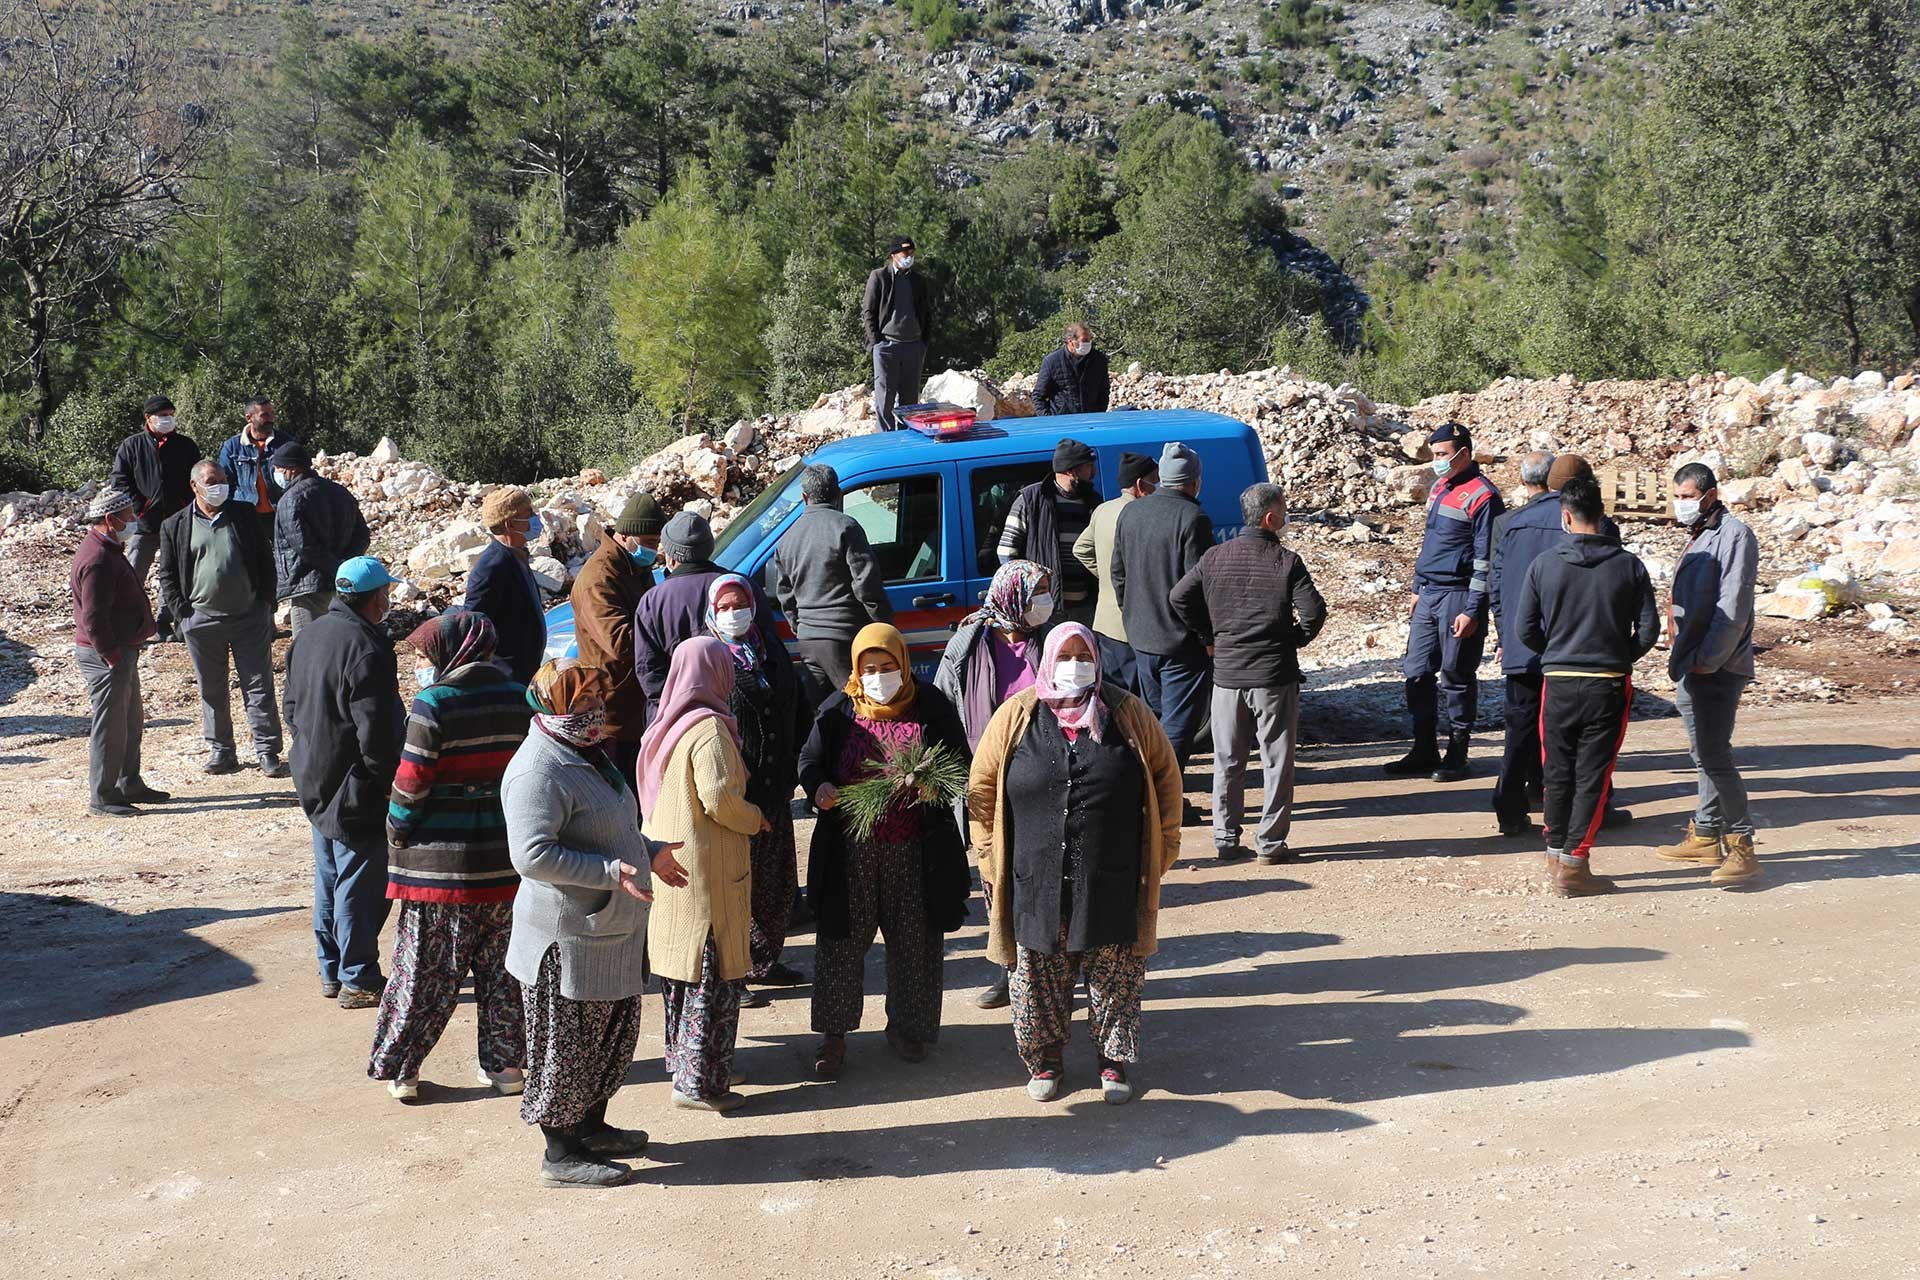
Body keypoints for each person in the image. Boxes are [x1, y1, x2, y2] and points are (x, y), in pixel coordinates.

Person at [966, 624, 1182, 1105]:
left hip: (1112, 873)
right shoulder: (1018, 714)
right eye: (1065, 655)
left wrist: (1164, 846)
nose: (1075, 663)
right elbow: (980, 787)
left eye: (1084, 654)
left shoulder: (1127, 712)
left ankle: (1113, 1060)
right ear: (1049, 660)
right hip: (1033, 875)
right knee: (1037, 974)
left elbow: (1166, 778)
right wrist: (987, 852)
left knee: (1114, 973)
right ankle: (1046, 1059)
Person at [501, 660, 687, 1188]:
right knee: (568, 1045)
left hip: (609, 928)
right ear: (551, 706)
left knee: (609, 1038)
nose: (594, 713)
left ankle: (592, 1128)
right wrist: (610, 871)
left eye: (597, 703)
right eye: (582, 704)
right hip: (568, 938)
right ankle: (560, 1154)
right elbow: (532, 856)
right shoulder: (539, 770)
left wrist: (648, 853)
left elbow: (609, 829)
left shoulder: (585, 755)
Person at [369, 611, 531, 1101]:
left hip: (440, 871)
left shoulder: (433, 704)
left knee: (423, 972)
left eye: (422, 654)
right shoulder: (518, 697)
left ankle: (403, 1069)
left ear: (448, 653)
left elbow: (412, 781)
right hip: (506, 864)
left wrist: (396, 830)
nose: (419, 663)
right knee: (504, 972)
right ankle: (506, 1068)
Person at [799, 624, 971, 1078]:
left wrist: (935, 784)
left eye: (888, 666)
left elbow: (959, 761)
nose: (879, 676)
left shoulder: (930, 705)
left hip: (915, 848)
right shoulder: (838, 709)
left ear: (904, 664)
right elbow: (809, 762)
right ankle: (833, 1036)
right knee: (841, 943)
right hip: (850, 853)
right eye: (869, 668)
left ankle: (908, 1028)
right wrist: (819, 788)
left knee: (915, 940)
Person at [637, 636, 768, 1112]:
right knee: (710, 983)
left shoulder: (666, 725)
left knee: (683, 981)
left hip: (674, 872)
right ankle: (699, 1083)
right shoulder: (710, 729)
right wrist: (756, 817)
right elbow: (720, 799)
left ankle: (687, 1065)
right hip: (707, 877)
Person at [1514, 474, 1659, 898]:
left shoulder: (1544, 565)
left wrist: (1557, 652)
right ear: (1602, 514)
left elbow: (1524, 629)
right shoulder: (1629, 565)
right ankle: (1575, 865)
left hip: (1557, 682)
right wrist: (1618, 655)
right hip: (1608, 684)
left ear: (1565, 516)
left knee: (1556, 771)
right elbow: (1647, 629)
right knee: (1592, 775)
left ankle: (1557, 854)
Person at [1171, 482, 1327, 864]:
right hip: (1273, 677)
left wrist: (1209, 635)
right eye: (1284, 510)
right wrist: (1291, 640)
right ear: (1271, 518)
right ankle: (1270, 843)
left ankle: (1225, 838)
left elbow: (1179, 597)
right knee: (1276, 761)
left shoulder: (1213, 557)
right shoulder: (1287, 561)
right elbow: (1314, 613)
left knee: (1227, 760)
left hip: (1226, 677)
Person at [284, 556, 407, 1009]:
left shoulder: (310, 634)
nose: (387, 602)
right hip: (355, 786)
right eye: (386, 595)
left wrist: (308, 751)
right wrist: (390, 783)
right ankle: (358, 978)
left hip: (313, 776)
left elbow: (291, 708)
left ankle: (332, 971)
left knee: (330, 876)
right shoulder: (367, 648)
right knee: (358, 882)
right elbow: (374, 731)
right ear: (375, 598)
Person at [933, 558, 1054, 1010]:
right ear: (1011, 595)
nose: (1045, 600)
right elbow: (945, 711)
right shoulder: (969, 646)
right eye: (1036, 591)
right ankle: (1011, 970)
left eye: (1046, 590)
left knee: (1045, 877)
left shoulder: (1053, 641)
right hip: (989, 782)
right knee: (997, 878)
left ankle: (1053, 972)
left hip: (1045, 778)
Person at [1488, 452, 1621, 836]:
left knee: (1520, 728)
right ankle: (1592, 807)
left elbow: (1498, 587)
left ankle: (1509, 809)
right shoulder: (1597, 526)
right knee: (1585, 733)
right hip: (1577, 650)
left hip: (1523, 646)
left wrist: (1508, 634)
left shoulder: (1513, 523)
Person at [1653, 462, 1762, 885]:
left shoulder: (1735, 535)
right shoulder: (1700, 533)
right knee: (1704, 753)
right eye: (1677, 497)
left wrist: (1709, 659)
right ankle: (1704, 833)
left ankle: (1742, 847)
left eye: (1688, 497)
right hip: (1692, 661)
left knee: (1714, 755)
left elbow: (1732, 608)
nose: (1681, 505)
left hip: (1716, 666)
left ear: (1711, 494)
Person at [699, 574, 807, 1000]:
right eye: (724, 607)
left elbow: (797, 703)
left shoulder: (769, 649)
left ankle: (763, 959)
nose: (733, 614)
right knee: (734, 884)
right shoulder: (709, 658)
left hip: (776, 788)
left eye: (738, 605)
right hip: (736, 794)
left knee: (774, 883)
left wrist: (797, 764)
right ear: (712, 612)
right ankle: (733, 971)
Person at [1385, 422, 1504, 784]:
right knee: (1416, 672)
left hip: (1458, 595)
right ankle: (1424, 749)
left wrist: (1473, 609)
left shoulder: (1484, 497)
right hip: (1430, 594)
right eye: (1434, 455)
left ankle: (1457, 752)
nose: (1436, 462)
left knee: (1456, 676)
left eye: (1441, 455)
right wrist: (1417, 586)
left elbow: (1487, 559)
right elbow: (1431, 543)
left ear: (1463, 454)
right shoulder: (1440, 487)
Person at [156, 460, 285, 778]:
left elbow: (265, 561)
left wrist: (266, 604)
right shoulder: (175, 525)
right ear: (194, 486)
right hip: (202, 622)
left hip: (248, 618)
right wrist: (183, 615)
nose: (220, 487)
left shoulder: (243, 514)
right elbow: (168, 575)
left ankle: (267, 751)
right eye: (212, 481)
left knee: (259, 687)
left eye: (224, 480)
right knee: (212, 690)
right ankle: (222, 751)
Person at [1111, 441, 1213, 794]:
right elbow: (1195, 588)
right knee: (1178, 726)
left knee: (1154, 721)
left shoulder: (1131, 513)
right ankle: (1162, 799)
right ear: (1195, 481)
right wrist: (1207, 638)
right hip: (1180, 643)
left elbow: (1118, 575)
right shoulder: (1193, 518)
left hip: (1141, 639)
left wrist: (1133, 618)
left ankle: (1152, 795)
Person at [70, 488, 166, 818]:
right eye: (128, 515)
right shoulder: (97, 558)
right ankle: (103, 795)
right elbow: (93, 617)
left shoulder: (109, 548)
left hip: (122, 650)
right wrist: (111, 655)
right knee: (110, 726)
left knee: (129, 720)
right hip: (107, 655)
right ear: (111, 519)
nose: (134, 520)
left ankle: (129, 782)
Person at [634, 510, 778, 721]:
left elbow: (648, 670)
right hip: (744, 713)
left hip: (679, 717)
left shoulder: (653, 601)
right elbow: (769, 648)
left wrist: (675, 708)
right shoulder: (741, 587)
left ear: (671, 555)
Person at [769, 463, 893, 707]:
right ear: (839, 494)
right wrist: (883, 624)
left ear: (805, 498)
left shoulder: (786, 539)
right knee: (863, 707)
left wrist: (800, 626)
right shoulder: (846, 527)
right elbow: (866, 583)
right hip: (845, 637)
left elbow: (785, 595)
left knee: (820, 713)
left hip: (808, 641)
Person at [570, 491, 664, 777]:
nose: (653, 549)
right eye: (648, 543)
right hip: (612, 711)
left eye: (657, 543)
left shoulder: (635, 566)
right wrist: (669, 637)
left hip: (638, 703)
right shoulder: (599, 578)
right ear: (625, 536)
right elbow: (620, 641)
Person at [108, 394, 202, 639]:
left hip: (178, 523)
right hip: (143, 524)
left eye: (170, 414)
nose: (167, 419)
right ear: (148, 418)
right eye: (162, 416)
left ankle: (165, 620)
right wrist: (140, 507)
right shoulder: (131, 446)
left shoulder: (186, 445)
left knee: (174, 573)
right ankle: (130, 622)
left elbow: (197, 478)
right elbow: (120, 481)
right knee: (133, 573)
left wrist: (186, 506)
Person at [1072, 450, 1156, 692]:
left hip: (1106, 623)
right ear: (1141, 484)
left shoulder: (1103, 510)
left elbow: (1081, 549)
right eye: (1156, 479)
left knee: (1112, 693)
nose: (1159, 487)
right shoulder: (1143, 514)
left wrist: (1106, 575)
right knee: (1139, 699)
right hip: (1135, 626)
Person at [271, 439, 370, 636]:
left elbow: (304, 546)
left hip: (307, 586)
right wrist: (344, 568)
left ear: (291, 469)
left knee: (309, 647)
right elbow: (362, 535)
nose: (276, 474)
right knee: (337, 642)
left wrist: (335, 567)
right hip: (342, 584)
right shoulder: (340, 492)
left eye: (278, 468)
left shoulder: (291, 499)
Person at [996, 438, 1100, 626]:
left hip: (1086, 608)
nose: (1094, 473)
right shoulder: (1030, 500)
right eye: (1089, 467)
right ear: (1072, 470)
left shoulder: (1093, 502)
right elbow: (1006, 553)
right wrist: (1029, 597)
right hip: (1044, 611)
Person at [465, 487, 547, 686]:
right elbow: (474, 624)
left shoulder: (517, 554)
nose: (536, 518)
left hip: (526, 670)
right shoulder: (492, 566)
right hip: (507, 676)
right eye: (529, 514)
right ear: (510, 523)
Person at [863, 235, 932, 432]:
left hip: (913, 346)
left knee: (910, 401)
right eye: (905, 252)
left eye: (912, 252)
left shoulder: (918, 281)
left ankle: (906, 441)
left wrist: (923, 343)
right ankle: (886, 441)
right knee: (884, 399)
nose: (909, 256)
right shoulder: (879, 276)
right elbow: (868, 312)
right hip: (887, 347)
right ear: (894, 254)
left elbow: (927, 313)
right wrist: (877, 343)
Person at [215, 396, 292, 535]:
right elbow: (225, 482)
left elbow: (297, 475)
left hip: (281, 513)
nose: (271, 419)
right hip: (246, 516)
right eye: (265, 415)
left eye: (272, 414)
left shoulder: (285, 442)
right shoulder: (232, 447)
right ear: (249, 418)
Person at [1032, 322, 1111, 418]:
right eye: (1084, 341)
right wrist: (1048, 419)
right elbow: (1038, 396)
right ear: (1071, 341)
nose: (1087, 343)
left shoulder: (1098, 360)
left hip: (1091, 420)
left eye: (1089, 340)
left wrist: (1099, 413)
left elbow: (1104, 390)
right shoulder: (1052, 362)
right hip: (1062, 422)